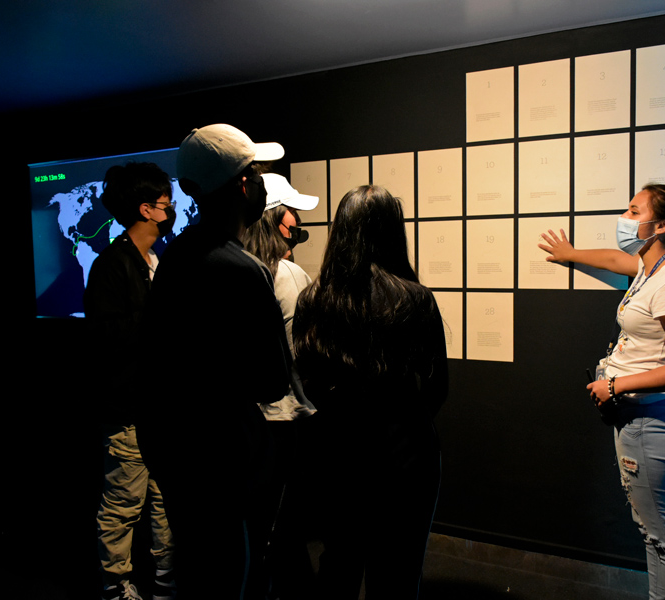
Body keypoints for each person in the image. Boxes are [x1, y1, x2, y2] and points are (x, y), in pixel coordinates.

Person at [538, 183, 665, 600]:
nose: (624, 217)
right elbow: (616, 260)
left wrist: (615, 385)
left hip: (652, 425)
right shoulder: (652, 267)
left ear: (661, 225)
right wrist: (571, 254)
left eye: (633, 210)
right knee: (656, 538)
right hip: (642, 422)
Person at [136, 124, 291, 600]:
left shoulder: (176, 257)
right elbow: (271, 382)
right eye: (257, 173)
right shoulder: (242, 271)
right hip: (224, 463)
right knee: (230, 575)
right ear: (245, 186)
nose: (263, 182)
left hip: (177, 454)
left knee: (199, 572)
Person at [292, 185, 449, 600]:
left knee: (339, 564)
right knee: (397, 574)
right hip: (405, 455)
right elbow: (436, 389)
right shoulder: (415, 300)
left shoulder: (313, 299)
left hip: (337, 457)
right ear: (392, 232)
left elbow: (307, 387)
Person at [83, 162, 177, 600]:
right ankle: (116, 586)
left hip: (159, 410)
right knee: (122, 505)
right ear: (146, 209)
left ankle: (165, 581)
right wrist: (158, 318)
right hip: (128, 412)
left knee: (164, 504)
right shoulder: (111, 266)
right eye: (165, 204)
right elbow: (105, 338)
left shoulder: (155, 260)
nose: (172, 210)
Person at [242, 173, 319, 599]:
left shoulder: (233, 267)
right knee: (282, 528)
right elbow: (302, 353)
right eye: (292, 213)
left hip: (244, 418)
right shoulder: (288, 274)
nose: (298, 223)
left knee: (255, 525)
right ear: (275, 218)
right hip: (284, 417)